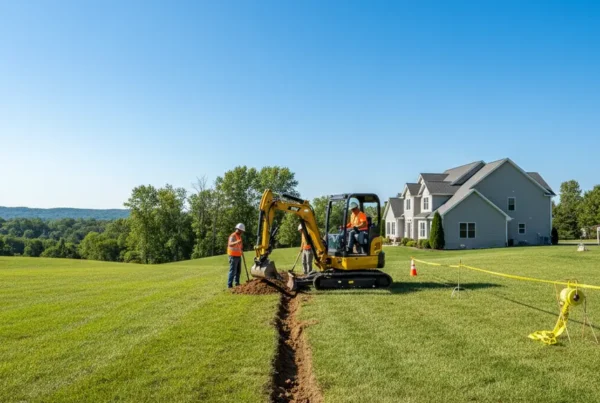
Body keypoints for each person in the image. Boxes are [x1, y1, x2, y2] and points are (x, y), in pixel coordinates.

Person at [227, 223, 245, 288]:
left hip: (238, 255)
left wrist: (241, 251)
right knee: (232, 271)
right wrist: (237, 242)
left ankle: (237, 283)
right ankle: (229, 285)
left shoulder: (239, 236)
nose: (242, 232)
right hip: (233, 256)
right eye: (241, 231)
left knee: (238, 271)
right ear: (238, 229)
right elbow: (230, 244)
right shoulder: (233, 236)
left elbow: (240, 246)